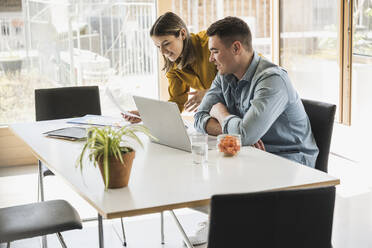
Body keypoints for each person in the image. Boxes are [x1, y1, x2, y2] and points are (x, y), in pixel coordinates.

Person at [194, 16, 319, 168]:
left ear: (236, 48)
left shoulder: (273, 80)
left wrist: (221, 114)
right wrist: (237, 134)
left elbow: (245, 136)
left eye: (215, 51)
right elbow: (199, 119)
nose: (210, 59)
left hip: (292, 164)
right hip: (253, 155)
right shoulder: (224, 76)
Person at [123, 12, 217, 123]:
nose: (162, 51)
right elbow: (176, 103)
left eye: (166, 43)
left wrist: (210, 93)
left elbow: (237, 78)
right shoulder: (173, 65)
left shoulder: (210, 43)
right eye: (158, 46)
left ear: (182, 34)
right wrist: (144, 114)